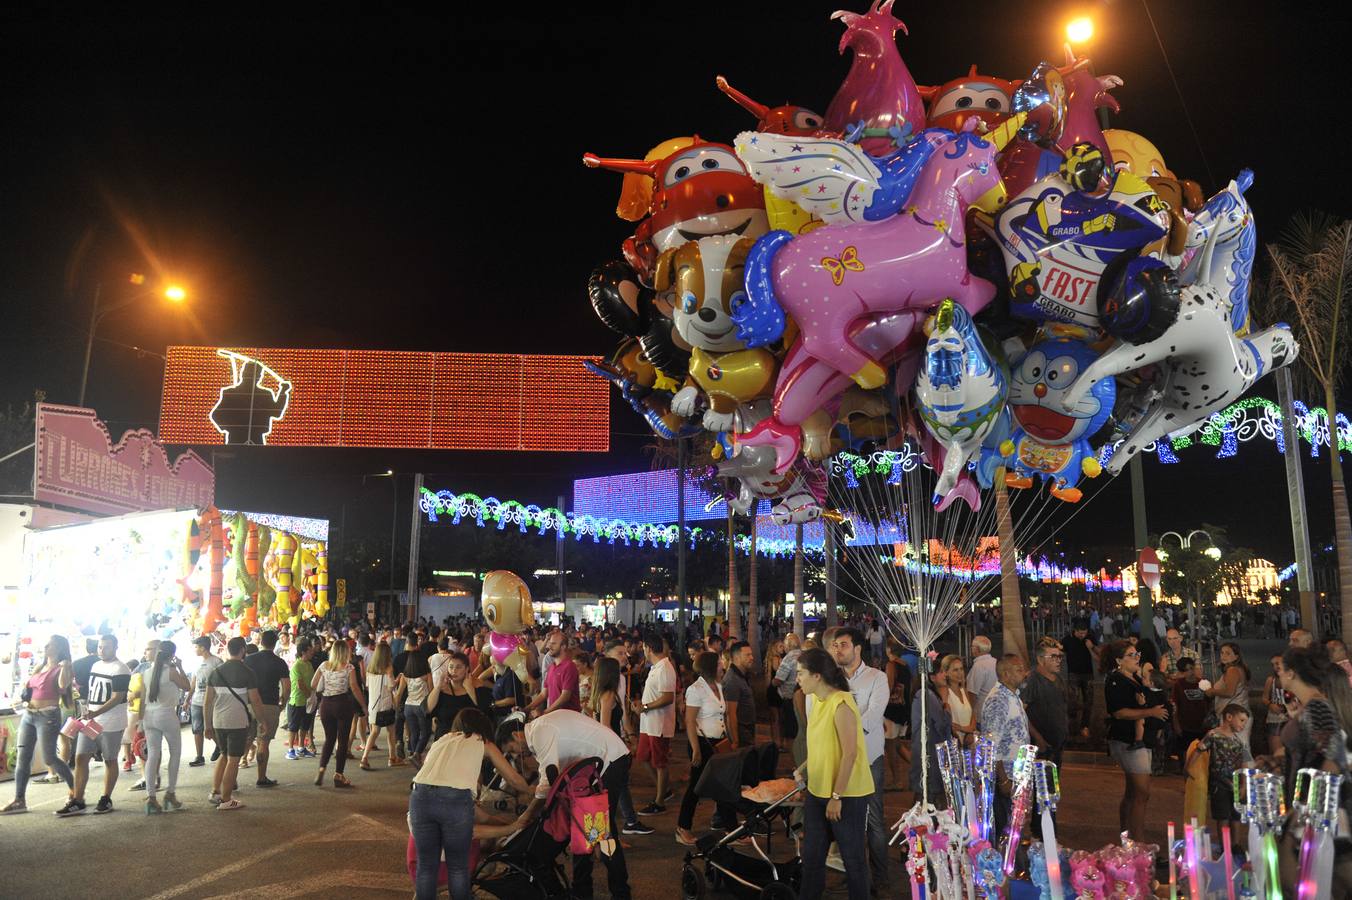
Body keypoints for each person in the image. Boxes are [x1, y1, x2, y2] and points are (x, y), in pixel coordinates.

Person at [497, 710, 634, 900]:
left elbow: (546, 786)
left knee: (603, 834)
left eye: (511, 749)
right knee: (583, 831)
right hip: (602, 764)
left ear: (515, 735)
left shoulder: (539, 732)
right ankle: (582, 891)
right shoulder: (540, 730)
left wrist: (526, 816)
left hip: (611, 761)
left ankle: (620, 893)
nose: (516, 754)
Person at [410, 708, 533, 900]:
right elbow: (514, 780)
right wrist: (534, 792)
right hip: (454, 799)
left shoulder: (442, 740)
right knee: (458, 866)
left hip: (420, 797)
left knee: (426, 866)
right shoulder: (484, 742)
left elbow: (428, 766)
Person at [797, 647, 874, 900]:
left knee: (853, 860)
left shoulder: (841, 703)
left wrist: (836, 796)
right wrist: (804, 767)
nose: (797, 679)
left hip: (846, 795)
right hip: (818, 791)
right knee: (812, 857)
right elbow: (825, 745)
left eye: (801, 673)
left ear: (817, 675)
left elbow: (849, 753)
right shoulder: (818, 701)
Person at [828, 627, 891, 897]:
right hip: (841, 760)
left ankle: (882, 879)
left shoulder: (877, 678)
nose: (838, 649)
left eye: (843, 644)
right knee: (848, 821)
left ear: (857, 649)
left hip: (869, 758)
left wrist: (844, 730)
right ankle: (856, 875)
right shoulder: (831, 680)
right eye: (835, 645)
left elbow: (873, 715)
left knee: (874, 821)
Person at [58, 633, 132, 816]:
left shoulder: (121, 668)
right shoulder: (96, 665)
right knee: (81, 757)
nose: (102, 650)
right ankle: (78, 799)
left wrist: (95, 712)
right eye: (100, 646)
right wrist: (87, 712)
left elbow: (118, 697)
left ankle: (106, 798)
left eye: (106, 647)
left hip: (111, 722)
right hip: (90, 720)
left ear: (115, 647)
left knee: (110, 759)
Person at [1103, 640, 1168, 840]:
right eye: (1131, 655)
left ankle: (1127, 837)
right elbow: (1119, 712)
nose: (1136, 658)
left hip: (1141, 740)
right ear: (1119, 660)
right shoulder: (1116, 680)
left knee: (1133, 792)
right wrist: (1151, 711)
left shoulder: (1135, 679)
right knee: (1141, 793)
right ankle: (1137, 842)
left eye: (1137, 654)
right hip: (1127, 741)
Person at [3, 635, 75, 814]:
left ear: (58, 648)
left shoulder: (62, 668)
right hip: (29, 714)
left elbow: (62, 686)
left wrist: (65, 667)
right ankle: (19, 799)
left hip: (48, 716)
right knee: (23, 757)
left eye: (50, 644)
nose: (46, 646)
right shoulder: (40, 666)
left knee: (49, 758)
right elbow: (28, 688)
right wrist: (21, 699)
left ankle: (75, 790)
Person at [205, 636, 265, 810]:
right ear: (242, 651)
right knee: (233, 759)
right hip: (237, 721)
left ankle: (215, 791)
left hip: (218, 721)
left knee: (224, 755)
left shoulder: (215, 672)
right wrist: (262, 721)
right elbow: (255, 700)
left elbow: (207, 702)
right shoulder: (247, 672)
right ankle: (226, 799)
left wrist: (207, 725)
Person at [591, 656, 647, 835]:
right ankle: (606, 836)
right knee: (610, 796)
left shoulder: (604, 693)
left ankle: (625, 824)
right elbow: (605, 726)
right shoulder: (608, 695)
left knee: (617, 788)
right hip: (611, 750)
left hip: (610, 748)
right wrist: (623, 745)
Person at [676, 650, 726, 846]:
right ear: (711, 666)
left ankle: (729, 825)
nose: (723, 665)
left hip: (718, 743)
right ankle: (682, 827)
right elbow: (690, 721)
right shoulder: (696, 689)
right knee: (696, 787)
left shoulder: (718, 687)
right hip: (702, 743)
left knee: (723, 785)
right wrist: (695, 749)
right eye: (720, 663)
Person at [135, 640, 191, 813]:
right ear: (172, 655)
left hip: (149, 717)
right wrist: (180, 667)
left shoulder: (146, 673)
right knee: (174, 754)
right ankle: (170, 794)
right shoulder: (171, 671)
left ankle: (151, 797)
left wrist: (139, 722)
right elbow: (188, 686)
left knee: (152, 755)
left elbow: (142, 700)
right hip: (166, 715)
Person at [978, 654, 1030, 839]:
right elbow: (991, 744)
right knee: (1006, 831)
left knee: (1015, 827)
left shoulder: (1012, 696)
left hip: (1017, 772)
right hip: (1006, 773)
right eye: (1019, 670)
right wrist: (1003, 780)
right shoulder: (999, 700)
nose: (1025, 673)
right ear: (1006, 674)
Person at [1187, 703, 1252, 838]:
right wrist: (1188, 767)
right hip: (1219, 783)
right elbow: (1199, 750)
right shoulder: (1213, 735)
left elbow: (1244, 763)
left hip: (1235, 783)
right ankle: (1225, 847)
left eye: (1245, 722)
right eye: (1241, 720)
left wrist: (1243, 785)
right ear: (1229, 717)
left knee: (1236, 816)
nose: (1243, 725)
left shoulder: (1240, 742)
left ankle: (1235, 845)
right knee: (1222, 815)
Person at [311, 639, 367, 788]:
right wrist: (363, 705)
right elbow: (355, 688)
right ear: (345, 652)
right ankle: (338, 775)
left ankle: (322, 767)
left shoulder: (324, 665)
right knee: (342, 741)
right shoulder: (349, 667)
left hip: (326, 705)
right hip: (342, 704)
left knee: (329, 738)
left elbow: (313, 684)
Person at [633, 635, 676, 815]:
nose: (643, 650)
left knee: (660, 763)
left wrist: (645, 706)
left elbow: (668, 697)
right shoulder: (656, 667)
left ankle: (660, 801)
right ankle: (663, 789)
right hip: (648, 723)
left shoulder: (665, 668)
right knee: (642, 757)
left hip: (658, 723)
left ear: (648, 648)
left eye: (644, 647)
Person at [716, 639, 757, 829]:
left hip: (746, 732)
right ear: (736, 657)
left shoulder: (741, 677)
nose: (752, 658)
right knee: (741, 779)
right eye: (748, 655)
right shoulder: (732, 681)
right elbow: (730, 713)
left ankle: (721, 817)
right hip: (740, 734)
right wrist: (735, 741)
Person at [242, 629, 290, 789]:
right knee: (264, 742)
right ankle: (261, 777)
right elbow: (286, 686)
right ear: (275, 642)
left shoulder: (248, 660)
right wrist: (283, 703)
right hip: (269, 704)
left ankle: (232, 776)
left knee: (246, 739)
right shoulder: (279, 662)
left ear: (261, 642)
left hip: (249, 704)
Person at [910, 665, 953, 808]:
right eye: (941, 672)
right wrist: (947, 710)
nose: (945, 675)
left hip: (927, 749)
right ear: (931, 676)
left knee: (926, 794)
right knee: (927, 795)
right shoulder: (926, 694)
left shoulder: (927, 694)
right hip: (929, 751)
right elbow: (941, 724)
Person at [1023, 637, 1069, 767]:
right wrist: (1038, 738)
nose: (1058, 660)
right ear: (1040, 659)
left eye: (1060, 656)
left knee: (1054, 784)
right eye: (1053, 657)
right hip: (1041, 747)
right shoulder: (1032, 680)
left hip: (1057, 744)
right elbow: (1020, 712)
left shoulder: (1058, 679)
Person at [361, 642, 404, 769]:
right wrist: (398, 679)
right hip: (385, 705)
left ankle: (364, 758)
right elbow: (391, 687)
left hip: (373, 705)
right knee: (391, 732)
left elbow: (368, 686)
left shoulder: (370, 669)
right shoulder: (388, 669)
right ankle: (392, 758)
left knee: (374, 732)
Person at [428, 651, 483, 742]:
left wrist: (470, 689)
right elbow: (428, 709)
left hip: (468, 740)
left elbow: (483, 711)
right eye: (451, 667)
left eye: (459, 667)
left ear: (467, 669)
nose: (454, 671)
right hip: (444, 740)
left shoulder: (477, 687)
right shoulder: (443, 690)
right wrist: (437, 687)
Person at [1204, 642, 1252, 745]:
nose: (1223, 656)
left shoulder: (1232, 670)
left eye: (1228, 653)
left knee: (1233, 750)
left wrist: (1212, 691)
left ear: (1236, 656)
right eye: (1222, 653)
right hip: (1237, 714)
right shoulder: (1237, 669)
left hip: (1234, 715)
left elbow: (1230, 692)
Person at [397, 643, 434, 766]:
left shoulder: (405, 676)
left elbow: (399, 693)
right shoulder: (426, 675)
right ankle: (416, 753)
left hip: (408, 706)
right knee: (426, 732)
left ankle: (413, 753)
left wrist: (396, 706)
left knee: (414, 732)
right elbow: (431, 691)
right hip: (421, 706)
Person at [881, 640, 911, 791]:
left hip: (892, 709)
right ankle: (919, 771)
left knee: (891, 745)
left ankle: (897, 780)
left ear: (889, 650)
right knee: (898, 744)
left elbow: (889, 685)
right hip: (903, 708)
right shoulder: (905, 665)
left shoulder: (891, 665)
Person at [187, 636, 222, 767]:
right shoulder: (196, 663)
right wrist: (187, 700)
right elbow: (193, 683)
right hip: (196, 700)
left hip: (212, 701)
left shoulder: (217, 662)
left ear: (203, 648)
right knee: (197, 729)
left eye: (196, 647)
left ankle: (220, 747)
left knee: (211, 728)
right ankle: (199, 756)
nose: (195, 649)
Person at [1171, 658, 1211, 770]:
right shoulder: (1179, 685)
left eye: (1192, 668)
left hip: (1201, 724)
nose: (1191, 672)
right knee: (1186, 754)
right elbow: (1175, 706)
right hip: (1185, 724)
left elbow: (1209, 703)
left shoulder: (1203, 683)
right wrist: (1176, 725)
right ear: (1181, 672)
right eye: (1187, 670)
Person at [1062, 620, 1097, 738]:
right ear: (1075, 631)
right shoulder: (1067, 640)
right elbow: (1060, 652)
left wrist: (1091, 647)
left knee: (1089, 701)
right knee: (1073, 701)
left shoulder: (1090, 638)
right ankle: (1072, 726)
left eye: (1085, 632)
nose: (1083, 635)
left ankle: (1085, 726)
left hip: (1088, 674)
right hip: (1073, 674)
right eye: (1080, 633)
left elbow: (1098, 655)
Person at [286, 637, 317, 759]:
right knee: (293, 727)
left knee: (305, 725)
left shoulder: (309, 664)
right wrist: (309, 695)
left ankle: (301, 748)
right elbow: (300, 684)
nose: (312, 652)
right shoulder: (296, 666)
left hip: (308, 701)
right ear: (303, 652)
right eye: (310, 650)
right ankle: (290, 750)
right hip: (297, 700)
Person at [939, 654, 979, 746]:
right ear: (946, 672)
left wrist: (966, 729)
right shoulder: (945, 691)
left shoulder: (964, 690)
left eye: (961, 669)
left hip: (969, 738)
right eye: (955, 670)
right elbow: (945, 719)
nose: (960, 673)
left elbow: (972, 715)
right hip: (954, 741)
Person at [772, 633, 803, 746]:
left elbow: (779, 679)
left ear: (787, 645)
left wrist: (772, 682)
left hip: (790, 697)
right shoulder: (803, 655)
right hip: (803, 696)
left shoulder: (788, 658)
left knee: (790, 730)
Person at [1262, 654, 1289, 756]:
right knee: (1276, 751)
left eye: (1278, 663)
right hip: (1275, 717)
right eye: (1273, 664)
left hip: (1289, 716)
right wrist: (1270, 705)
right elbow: (1264, 698)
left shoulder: (1292, 679)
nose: (1276, 667)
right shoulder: (1271, 680)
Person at [764, 639, 785, 748]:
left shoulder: (769, 659)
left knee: (774, 718)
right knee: (778, 718)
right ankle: (778, 742)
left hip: (771, 690)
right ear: (775, 648)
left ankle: (775, 741)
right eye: (780, 646)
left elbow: (767, 678)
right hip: (776, 690)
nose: (783, 648)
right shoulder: (776, 659)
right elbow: (777, 670)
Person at [966, 636, 997, 703]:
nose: (971, 648)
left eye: (972, 646)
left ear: (977, 649)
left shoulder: (978, 666)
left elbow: (972, 692)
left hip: (982, 706)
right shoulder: (996, 662)